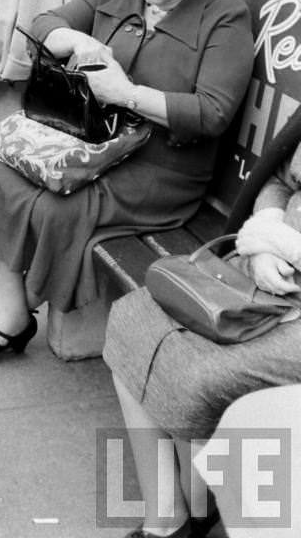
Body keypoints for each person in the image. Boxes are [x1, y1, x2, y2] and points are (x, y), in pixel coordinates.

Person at [0, 0, 254, 371]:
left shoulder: (224, 16)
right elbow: (46, 23)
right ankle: (13, 312)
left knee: (56, 207)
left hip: (162, 168)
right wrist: (78, 42)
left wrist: (126, 93)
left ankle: (16, 311)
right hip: (97, 142)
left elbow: (212, 113)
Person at [103, 136, 301, 538]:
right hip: (264, 267)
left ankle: (199, 505)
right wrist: (266, 229)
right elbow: (280, 178)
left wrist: (287, 247)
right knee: (133, 318)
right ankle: (168, 517)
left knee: (199, 376)